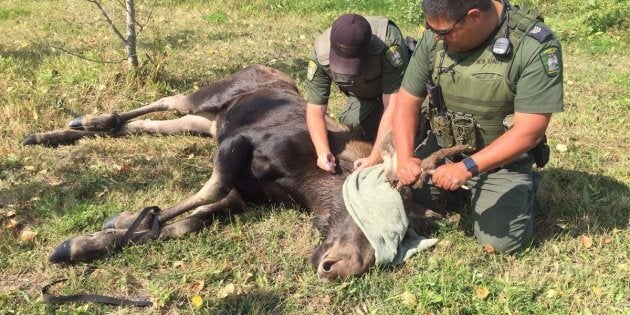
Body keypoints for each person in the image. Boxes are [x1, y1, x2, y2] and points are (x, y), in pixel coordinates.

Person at [393, 0, 563, 253]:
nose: (437, 37)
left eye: (444, 32)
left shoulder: (533, 45)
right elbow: (407, 100)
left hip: (500, 163)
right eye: (432, 29)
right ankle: (465, 190)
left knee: (500, 243)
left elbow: (530, 130)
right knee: (399, 200)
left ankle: (524, 189)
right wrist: (405, 157)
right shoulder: (436, 34)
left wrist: (468, 167)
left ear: (473, 17)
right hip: (443, 151)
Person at [306, 13, 411, 173]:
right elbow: (315, 109)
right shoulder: (320, 54)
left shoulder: (389, 44)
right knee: (352, 129)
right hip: (365, 96)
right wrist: (322, 151)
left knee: (408, 142)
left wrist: (375, 157)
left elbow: (394, 106)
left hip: (403, 94)